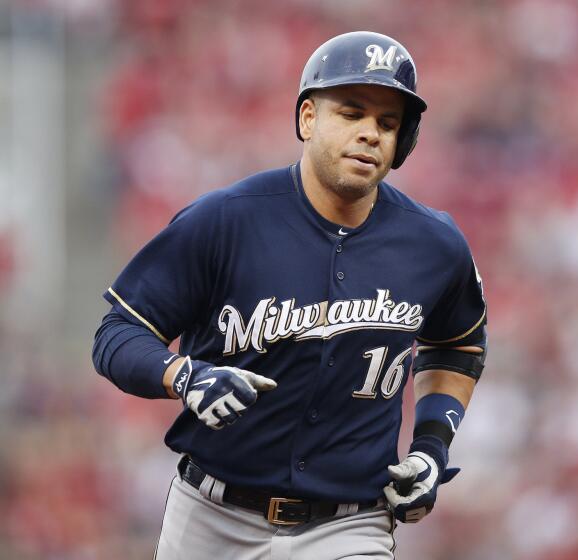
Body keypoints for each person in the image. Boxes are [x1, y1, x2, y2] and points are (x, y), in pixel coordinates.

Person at [92, 31, 487, 560]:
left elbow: (457, 346)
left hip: (349, 526)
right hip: (212, 519)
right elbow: (117, 333)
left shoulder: (435, 245)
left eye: (387, 123)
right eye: (351, 113)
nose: (370, 133)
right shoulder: (226, 220)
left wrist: (432, 449)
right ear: (307, 119)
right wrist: (183, 375)